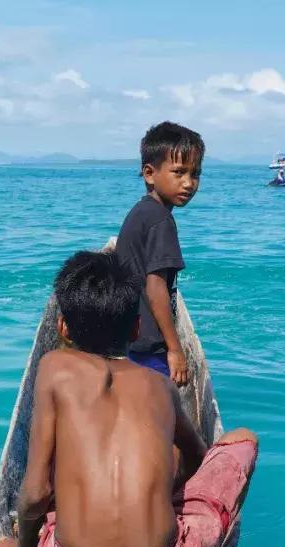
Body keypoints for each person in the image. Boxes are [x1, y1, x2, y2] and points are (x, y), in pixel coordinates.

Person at [0, 251, 259, 547]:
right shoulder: (160, 386)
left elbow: (36, 492)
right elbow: (198, 458)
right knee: (243, 439)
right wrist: (163, 484)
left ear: (62, 328)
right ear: (136, 328)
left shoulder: (54, 367)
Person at [115, 121, 204, 386]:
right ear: (149, 174)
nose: (188, 183)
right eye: (179, 173)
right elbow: (155, 287)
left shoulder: (142, 211)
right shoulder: (160, 220)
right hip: (148, 345)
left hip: (130, 336)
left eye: (195, 174)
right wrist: (175, 350)